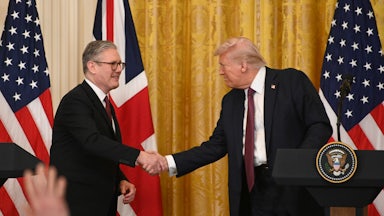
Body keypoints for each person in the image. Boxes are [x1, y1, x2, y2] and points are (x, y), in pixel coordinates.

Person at [162, 37, 332, 216]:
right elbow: (215, 146)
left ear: (243, 65)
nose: (220, 72)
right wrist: (167, 162)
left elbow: (319, 125)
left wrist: (295, 162)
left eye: (223, 65)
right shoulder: (231, 101)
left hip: (292, 190)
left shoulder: (291, 81)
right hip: (250, 193)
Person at [50, 40, 166, 216]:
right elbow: (92, 141)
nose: (119, 69)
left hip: (100, 203)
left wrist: (120, 180)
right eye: (113, 64)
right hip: (77, 204)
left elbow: (97, 154)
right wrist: (139, 156)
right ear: (92, 66)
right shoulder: (76, 101)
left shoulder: (103, 103)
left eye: (120, 64)